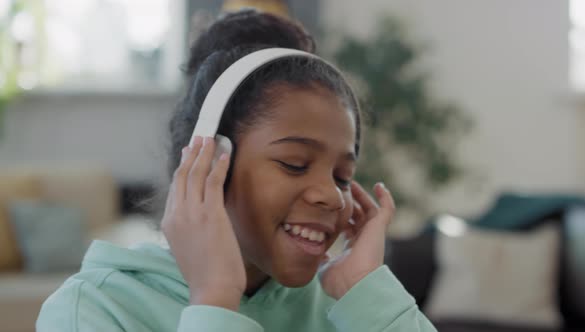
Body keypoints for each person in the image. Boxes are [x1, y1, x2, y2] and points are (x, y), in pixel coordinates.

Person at [37, 10, 437, 332]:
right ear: (208, 164)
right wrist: (214, 299)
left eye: (343, 176)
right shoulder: (92, 311)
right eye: (294, 164)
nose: (333, 196)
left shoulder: (349, 309)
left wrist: (364, 294)